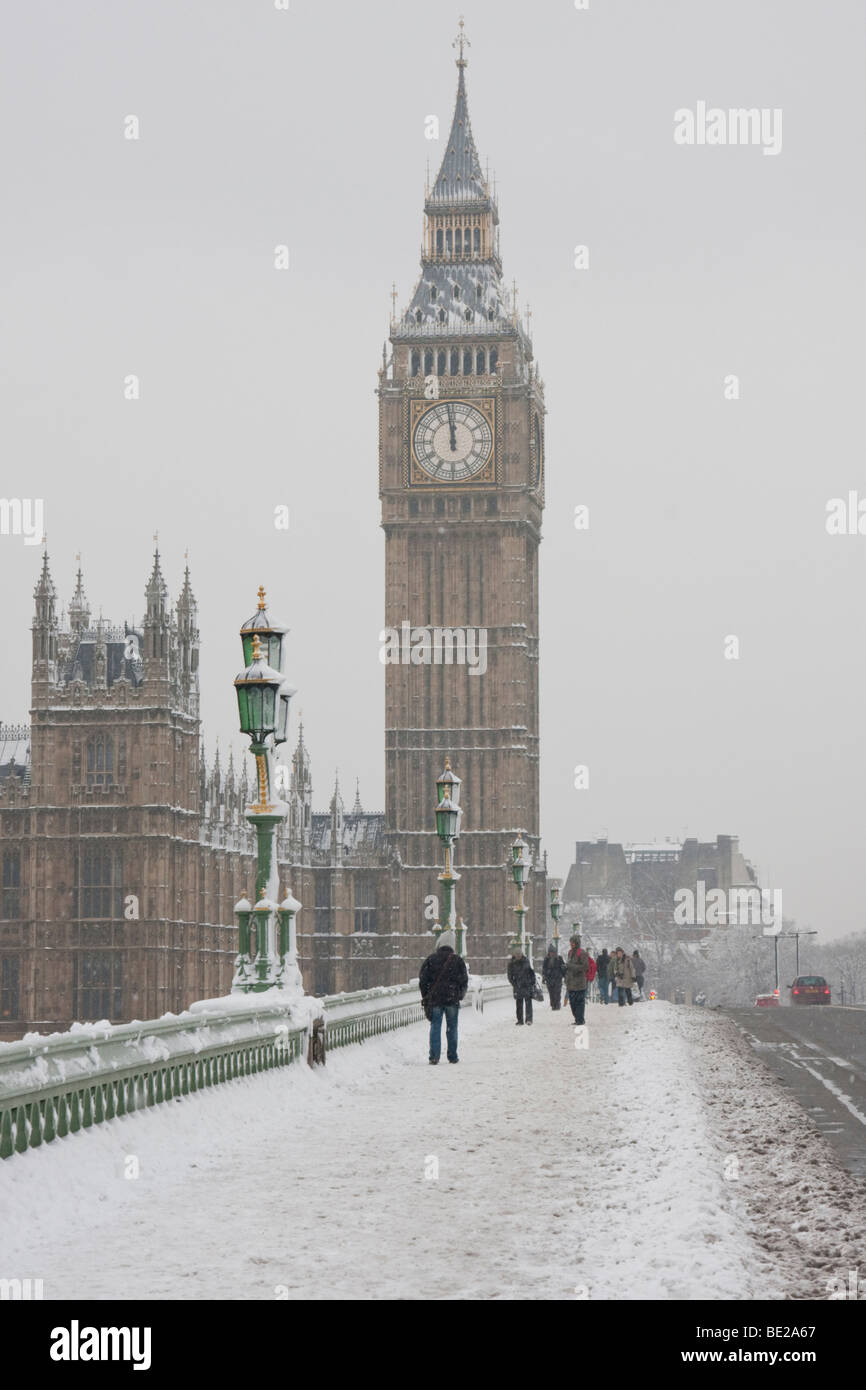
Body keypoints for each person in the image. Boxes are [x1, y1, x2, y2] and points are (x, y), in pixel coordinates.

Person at [419, 929, 468, 1064]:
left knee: (435, 1027)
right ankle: (452, 1056)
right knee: (452, 1028)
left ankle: (434, 1056)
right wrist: (459, 995)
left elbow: (423, 980)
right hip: (452, 999)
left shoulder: (431, 959)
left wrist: (426, 996)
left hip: (435, 999)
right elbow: (464, 980)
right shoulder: (458, 961)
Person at [564, 933, 591, 1025]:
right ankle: (577, 1018)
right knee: (572, 1003)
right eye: (570, 942)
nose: (571, 944)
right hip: (571, 983)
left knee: (579, 1003)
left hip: (579, 983)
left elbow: (585, 966)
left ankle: (580, 1020)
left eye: (573, 942)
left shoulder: (582, 953)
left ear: (576, 943)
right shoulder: (570, 953)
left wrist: (572, 966)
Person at [507, 943, 536, 1025]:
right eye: (517, 955)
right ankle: (520, 1020)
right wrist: (514, 984)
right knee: (519, 1004)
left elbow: (531, 972)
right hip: (518, 986)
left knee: (528, 1003)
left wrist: (532, 982)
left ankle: (529, 1019)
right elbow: (509, 976)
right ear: (515, 955)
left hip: (527, 985)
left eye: (519, 955)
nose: (518, 956)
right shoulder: (511, 963)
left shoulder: (526, 961)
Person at [541, 943, 566, 1010]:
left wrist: (564, 975)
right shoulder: (546, 959)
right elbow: (544, 969)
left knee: (557, 992)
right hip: (549, 979)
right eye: (550, 952)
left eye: (553, 952)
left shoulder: (559, 958)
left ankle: (557, 1005)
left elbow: (563, 968)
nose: (552, 954)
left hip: (558, 978)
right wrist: (544, 977)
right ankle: (553, 1004)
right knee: (551, 993)